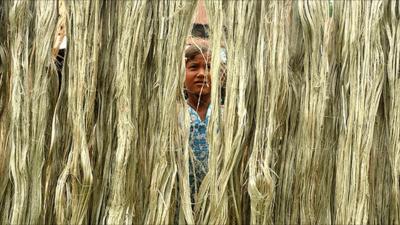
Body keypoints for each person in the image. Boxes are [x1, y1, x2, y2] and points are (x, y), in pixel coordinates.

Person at [184, 41, 212, 200]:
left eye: (208, 67)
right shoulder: (172, 116)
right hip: (180, 206)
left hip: (217, 206)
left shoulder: (228, 117)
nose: (202, 73)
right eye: (194, 67)